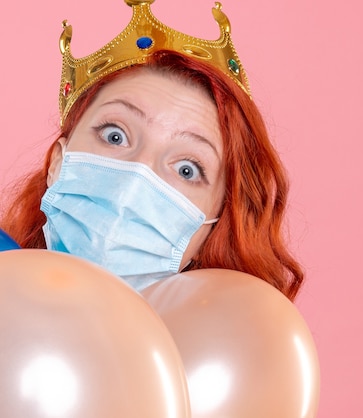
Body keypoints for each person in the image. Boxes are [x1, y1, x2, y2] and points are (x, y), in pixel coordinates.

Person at [0, 0, 303, 300]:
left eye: (187, 169)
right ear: (57, 163)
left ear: (213, 225)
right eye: (115, 136)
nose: (136, 177)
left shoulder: (232, 344)